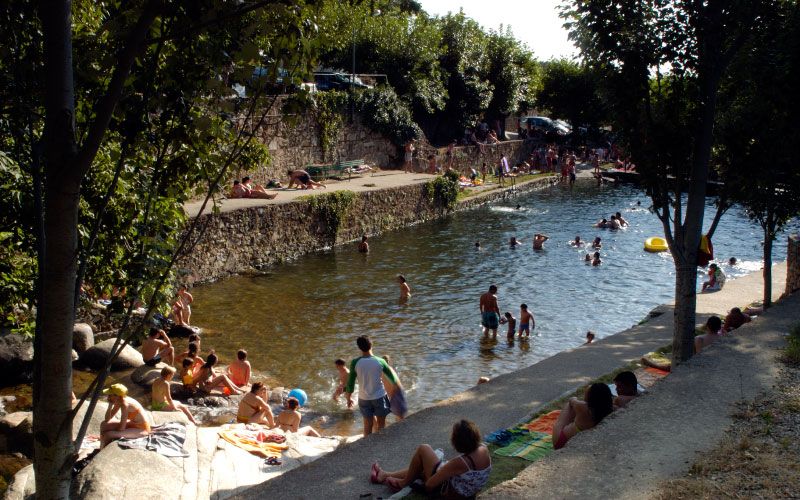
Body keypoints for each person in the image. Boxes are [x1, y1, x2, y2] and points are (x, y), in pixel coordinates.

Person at [371, 419, 492, 497]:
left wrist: (429, 477)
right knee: (423, 465)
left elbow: (429, 485)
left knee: (424, 449)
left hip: (447, 493)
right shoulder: (483, 448)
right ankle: (385, 475)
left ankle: (402, 483)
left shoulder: (460, 462)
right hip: (467, 491)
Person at [344, 336, 398, 436]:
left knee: (367, 425)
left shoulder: (355, 362)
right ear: (371, 345)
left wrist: (348, 398)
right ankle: (381, 442)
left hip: (363, 398)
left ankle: (367, 445)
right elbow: (393, 379)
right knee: (381, 425)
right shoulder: (380, 361)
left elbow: (350, 383)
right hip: (379, 397)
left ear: (359, 348)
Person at [552, 383, 613, 449]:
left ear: (590, 396)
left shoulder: (583, 407)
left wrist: (576, 399)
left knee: (569, 405)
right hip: (582, 444)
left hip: (560, 442)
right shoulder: (612, 410)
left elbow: (572, 399)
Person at [100, 384, 151, 448]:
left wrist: (111, 433)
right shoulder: (119, 400)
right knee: (104, 425)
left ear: (117, 396)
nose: (108, 397)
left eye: (110, 395)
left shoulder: (125, 404)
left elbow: (121, 428)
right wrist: (110, 406)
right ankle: (102, 444)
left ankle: (102, 449)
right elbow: (107, 419)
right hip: (132, 423)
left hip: (142, 429)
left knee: (108, 435)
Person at [381, 355, 408, 420]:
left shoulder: (387, 370)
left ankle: (402, 424)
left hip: (395, 394)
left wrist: (392, 395)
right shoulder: (385, 370)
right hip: (394, 394)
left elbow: (395, 384)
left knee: (400, 416)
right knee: (399, 415)